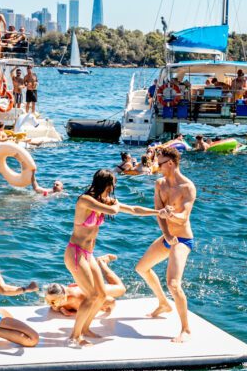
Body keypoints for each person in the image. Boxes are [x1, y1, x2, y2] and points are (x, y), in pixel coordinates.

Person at [64, 169, 166, 346]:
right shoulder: (85, 200)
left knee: (101, 294)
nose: (114, 187)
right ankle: (75, 336)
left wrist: (159, 212)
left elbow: (134, 209)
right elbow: (113, 210)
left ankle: (85, 328)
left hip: (88, 254)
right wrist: (115, 205)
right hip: (75, 253)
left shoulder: (107, 201)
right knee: (92, 295)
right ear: (107, 184)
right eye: (113, 184)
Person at [135, 146, 197, 343]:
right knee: (142, 268)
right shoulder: (159, 183)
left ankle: (185, 330)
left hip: (183, 240)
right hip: (168, 236)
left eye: (159, 163)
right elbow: (158, 213)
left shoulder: (187, 187)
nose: (156, 166)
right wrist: (166, 233)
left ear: (170, 163)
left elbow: (183, 217)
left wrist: (172, 214)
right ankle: (163, 303)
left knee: (173, 284)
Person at [45, 254, 125, 316]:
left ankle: (101, 262)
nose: (50, 305)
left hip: (95, 290)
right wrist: (61, 309)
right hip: (82, 286)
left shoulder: (79, 299)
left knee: (121, 289)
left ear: (63, 298)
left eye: (52, 302)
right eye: (47, 301)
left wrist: (105, 309)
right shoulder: (59, 297)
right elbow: (68, 287)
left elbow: (111, 301)